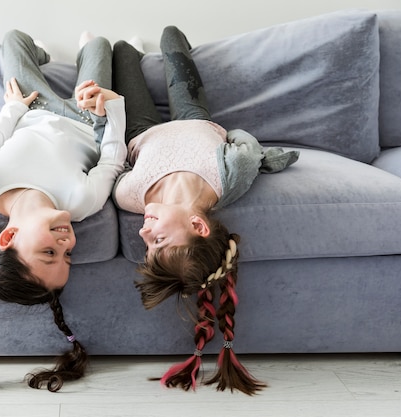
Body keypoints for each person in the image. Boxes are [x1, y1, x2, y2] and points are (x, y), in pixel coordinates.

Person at [108, 26, 299, 395]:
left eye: (148, 243)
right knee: (169, 36)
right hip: (196, 119)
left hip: (142, 132)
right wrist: (258, 158)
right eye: (159, 239)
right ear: (199, 224)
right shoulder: (228, 178)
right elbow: (243, 139)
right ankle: (169, 43)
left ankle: (132, 46)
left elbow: (115, 161)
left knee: (121, 50)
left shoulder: (131, 196)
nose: (144, 232)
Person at [0, 29, 126, 400]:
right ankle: (83, 54)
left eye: (49, 251)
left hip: (33, 107)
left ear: (9, 238)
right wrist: (110, 107)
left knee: (14, 38)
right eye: (68, 255)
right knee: (97, 45)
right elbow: (112, 159)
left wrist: (13, 107)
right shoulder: (81, 202)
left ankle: (41, 54)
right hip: (85, 118)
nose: (66, 243)